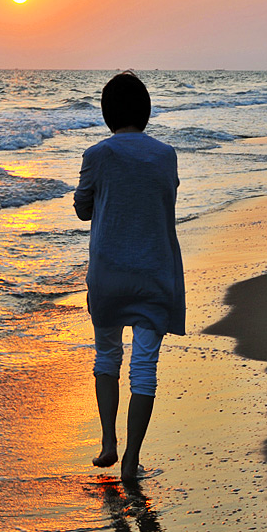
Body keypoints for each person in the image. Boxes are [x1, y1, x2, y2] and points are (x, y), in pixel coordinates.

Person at [73, 72, 185, 481]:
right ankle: (132, 459)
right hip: (154, 273)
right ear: (146, 112)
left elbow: (83, 209)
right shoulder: (165, 155)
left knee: (106, 357)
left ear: (106, 114)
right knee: (145, 368)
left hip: (109, 275)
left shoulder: (97, 155)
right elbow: (165, 197)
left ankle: (107, 442)